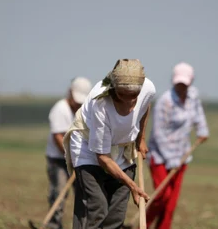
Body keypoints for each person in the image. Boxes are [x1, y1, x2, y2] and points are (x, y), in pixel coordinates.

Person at [62, 59, 155, 229]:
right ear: (114, 89)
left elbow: (145, 106)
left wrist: (140, 138)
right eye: (122, 96)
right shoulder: (101, 104)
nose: (129, 103)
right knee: (96, 208)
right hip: (89, 149)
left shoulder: (147, 88)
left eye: (134, 97)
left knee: (116, 215)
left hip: (121, 148)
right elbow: (102, 157)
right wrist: (133, 186)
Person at [145, 62, 209, 229]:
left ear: (190, 81)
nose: (181, 87)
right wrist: (170, 158)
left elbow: (198, 116)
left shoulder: (193, 97)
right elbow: (158, 134)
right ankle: (142, 225)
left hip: (182, 154)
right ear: (174, 81)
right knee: (162, 196)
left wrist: (202, 130)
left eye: (184, 84)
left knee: (171, 203)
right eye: (178, 83)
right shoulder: (165, 102)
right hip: (160, 156)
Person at [44, 76, 92, 229]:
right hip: (59, 160)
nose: (77, 103)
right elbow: (58, 137)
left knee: (83, 194)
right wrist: (71, 159)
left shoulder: (85, 111)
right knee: (58, 192)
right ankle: (53, 225)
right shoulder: (60, 109)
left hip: (79, 160)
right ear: (70, 93)